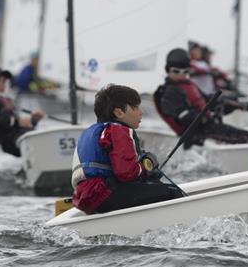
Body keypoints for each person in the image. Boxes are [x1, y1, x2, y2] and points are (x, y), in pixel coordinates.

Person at [71, 84, 184, 214]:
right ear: (119, 112)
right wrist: (147, 166)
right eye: (135, 107)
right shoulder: (120, 130)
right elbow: (127, 174)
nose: (140, 112)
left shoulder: (88, 133)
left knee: (152, 187)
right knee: (171, 192)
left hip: (84, 198)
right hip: (105, 194)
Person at [154, 48, 248, 147]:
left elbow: (207, 101)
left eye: (185, 72)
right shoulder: (168, 93)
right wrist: (204, 116)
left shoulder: (189, 85)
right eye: (176, 71)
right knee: (246, 138)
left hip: (208, 128)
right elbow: (183, 118)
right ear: (168, 70)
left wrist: (231, 104)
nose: (181, 75)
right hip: (195, 135)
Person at [0, 66, 45, 157]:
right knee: (34, 138)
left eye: (4, 81)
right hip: (8, 139)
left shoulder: (2, 99)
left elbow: (15, 121)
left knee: (37, 136)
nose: (1, 84)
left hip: (18, 135)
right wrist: (18, 121)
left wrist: (33, 120)